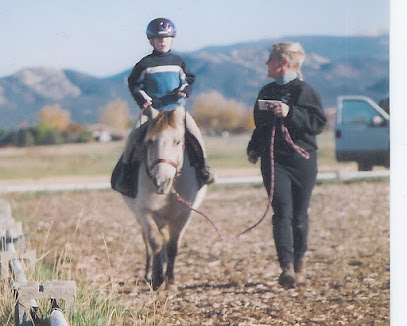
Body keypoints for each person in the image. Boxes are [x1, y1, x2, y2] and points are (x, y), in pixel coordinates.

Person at [247, 42, 327, 288]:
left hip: (302, 161)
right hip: (274, 161)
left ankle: (300, 263)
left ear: (283, 63)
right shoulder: (265, 90)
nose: (266, 64)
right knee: (281, 213)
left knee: (299, 216)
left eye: (270, 59)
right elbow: (260, 126)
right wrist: (253, 147)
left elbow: (317, 123)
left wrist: (290, 112)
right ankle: (287, 268)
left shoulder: (305, 91)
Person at [114, 18, 215, 197]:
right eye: (159, 39)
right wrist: (144, 102)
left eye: (167, 38)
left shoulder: (178, 61)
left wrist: (185, 91)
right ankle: (125, 174)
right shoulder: (144, 64)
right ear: (151, 41)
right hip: (153, 112)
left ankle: (204, 169)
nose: (163, 42)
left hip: (176, 110)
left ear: (172, 39)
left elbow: (189, 79)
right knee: (133, 136)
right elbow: (134, 85)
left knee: (195, 133)